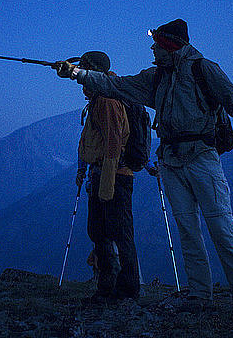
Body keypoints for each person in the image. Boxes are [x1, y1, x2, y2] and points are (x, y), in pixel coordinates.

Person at [54, 20, 233, 318]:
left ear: (170, 46)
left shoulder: (203, 70)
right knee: (189, 230)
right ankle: (200, 294)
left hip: (201, 157)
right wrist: (78, 74)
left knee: (220, 226)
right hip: (172, 159)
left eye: (156, 45)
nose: (152, 49)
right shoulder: (156, 77)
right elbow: (116, 85)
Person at [74, 51, 140, 304]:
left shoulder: (107, 100)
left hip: (113, 175)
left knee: (119, 232)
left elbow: (113, 141)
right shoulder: (101, 98)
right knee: (100, 231)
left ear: (93, 71)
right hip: (104, 173)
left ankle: (126, 290)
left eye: (84, 69)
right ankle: (108, 286)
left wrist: (107, 183)